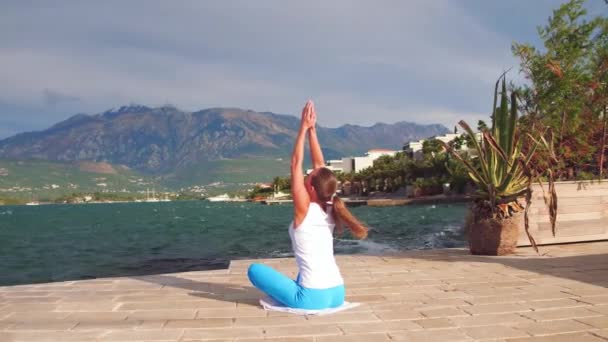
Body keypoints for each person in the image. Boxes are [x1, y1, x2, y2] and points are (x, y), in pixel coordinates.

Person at [247, 100, 368, 310]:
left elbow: (295, 164)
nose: (306, 175)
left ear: (311, 188)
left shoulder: (305, 208)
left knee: (254, 270)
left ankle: (298, 292)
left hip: (313, 298)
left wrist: (303, 128)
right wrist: (313, 130)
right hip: (337, 292)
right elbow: (320, 167)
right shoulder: (331, 204)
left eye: (308, 176)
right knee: (303, 272)